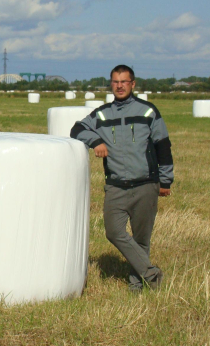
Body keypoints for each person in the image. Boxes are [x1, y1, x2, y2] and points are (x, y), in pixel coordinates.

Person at [70, 65, 173, 292]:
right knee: (114, 232)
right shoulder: (102, 114)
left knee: (142, 239)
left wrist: (165, 181)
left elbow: (163, 146)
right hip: (116, 186)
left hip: (146, 183)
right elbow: (76, 129)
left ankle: (137, 285)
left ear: (133, 84)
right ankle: (152, 273)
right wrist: (95, 141)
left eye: (124, 82)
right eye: (115, 82)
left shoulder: (148, 111)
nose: (119, 86)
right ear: (111, 84)